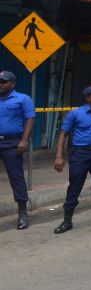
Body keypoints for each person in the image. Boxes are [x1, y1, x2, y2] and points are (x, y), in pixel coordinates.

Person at [53, 84, 91, 234]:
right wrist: (59, 156)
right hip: (80, 154)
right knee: (74, 187)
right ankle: (67, 221)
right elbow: (63, 134)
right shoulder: (75, 114)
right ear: (87, 98)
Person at [0, 70, 35, 230]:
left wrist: (24, 140)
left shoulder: (23, 99)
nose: (1, 85)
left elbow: (30, 118)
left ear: (12, 83)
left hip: (13, 143)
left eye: (4, 82)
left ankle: (22, 213)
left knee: (16, 177)